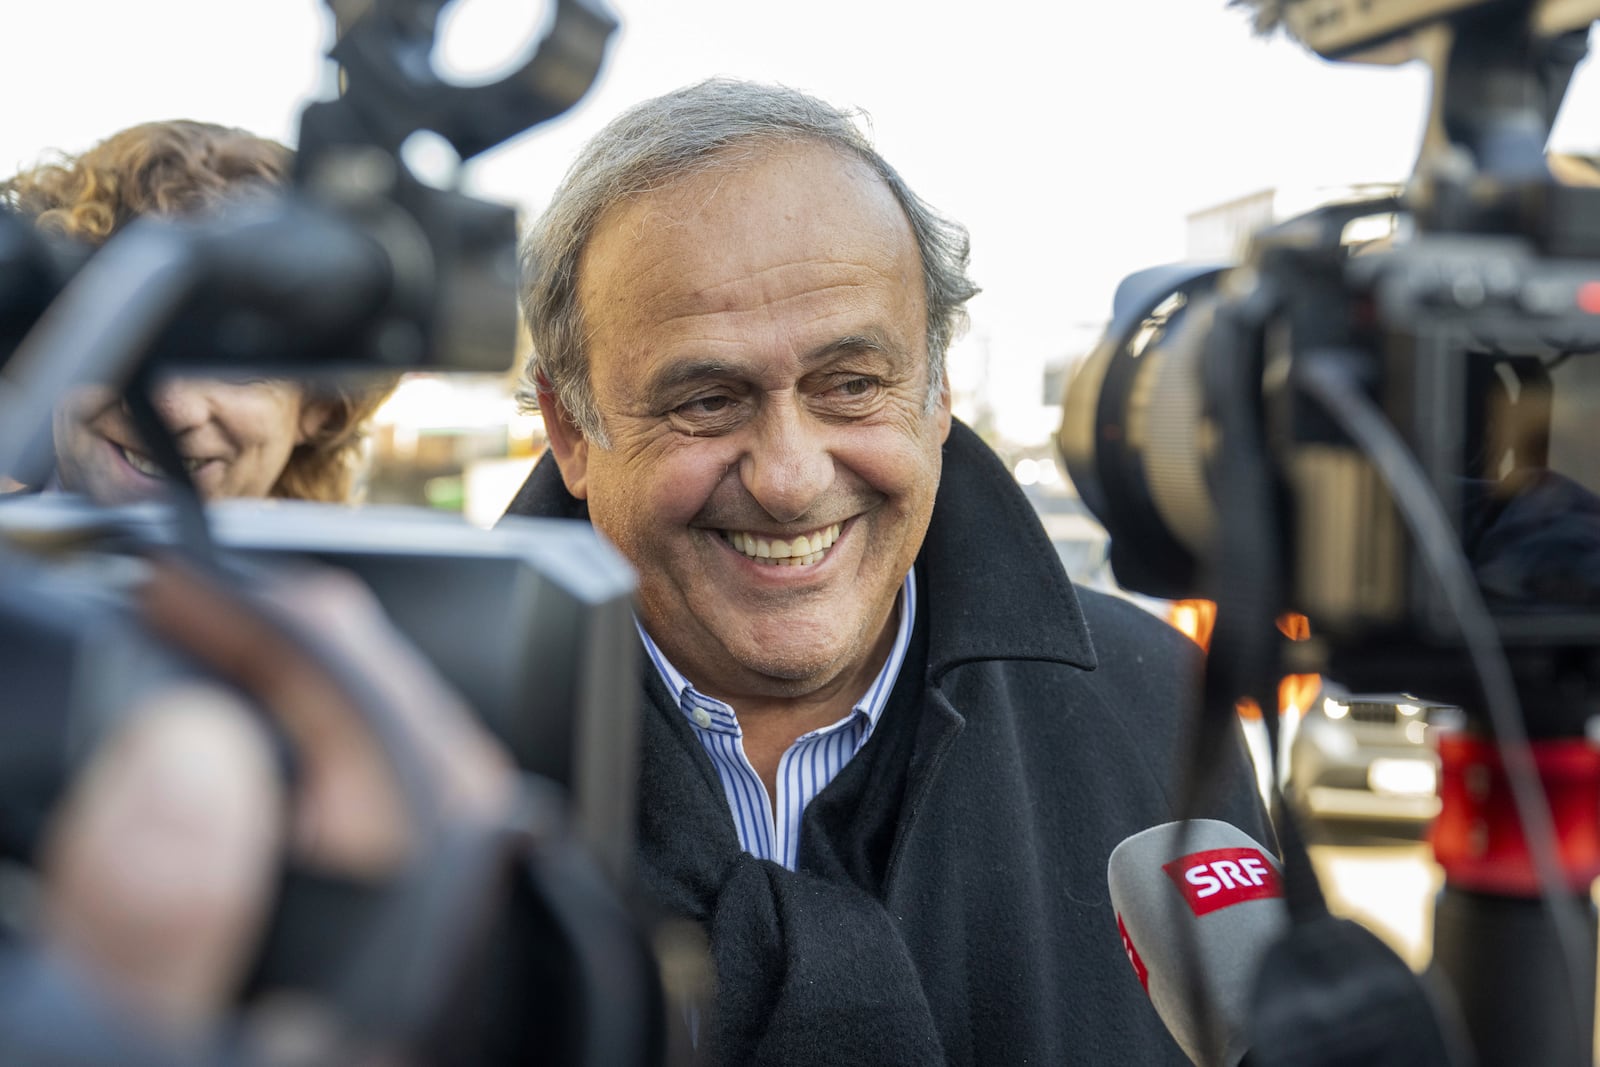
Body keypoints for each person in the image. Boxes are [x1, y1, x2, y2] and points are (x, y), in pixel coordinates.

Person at [504, 77, 1273, 1065]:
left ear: (940, 388)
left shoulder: (1159, 709)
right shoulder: (396, 741)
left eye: (852, 385)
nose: (787, 478)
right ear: (568, 428)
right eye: (705, 398)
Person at [1, 119, 393, 505]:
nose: (174, 410)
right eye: (132, 336)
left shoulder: (373, 569)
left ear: (322, 409)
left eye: (234, 362)